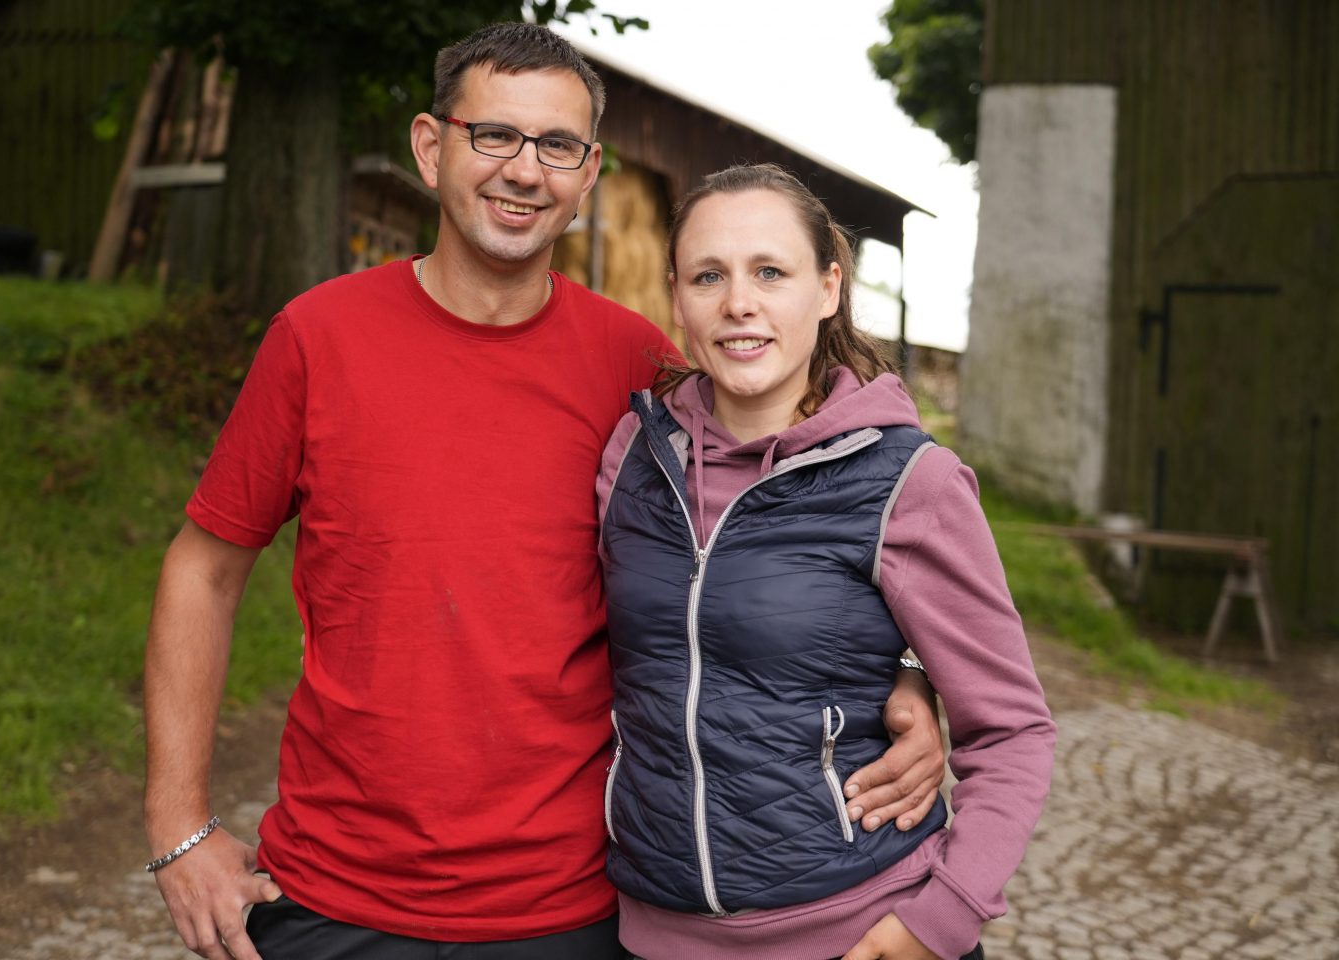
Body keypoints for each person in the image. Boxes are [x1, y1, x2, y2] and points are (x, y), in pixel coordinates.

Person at [143, 24, 946, 960]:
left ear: (589, 170)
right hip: (333, 897)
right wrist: (178, 829)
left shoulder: (646, 374)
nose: (525, 171)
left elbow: (774, 555)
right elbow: (202, 571)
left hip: (575, 908)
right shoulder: (318, 339)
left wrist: (902, 677)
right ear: (431, 146)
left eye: (557, 146)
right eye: (495, 136)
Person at [596, 163, 1057, 960]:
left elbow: (1011, 728)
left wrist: (937, 922)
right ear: (677, 295)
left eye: (771, 272)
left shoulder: (910, 481)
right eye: (710, 275)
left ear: (828, 288)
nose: (739, 303)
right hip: (652, 935)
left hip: (856, 932)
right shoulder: (633, 456)